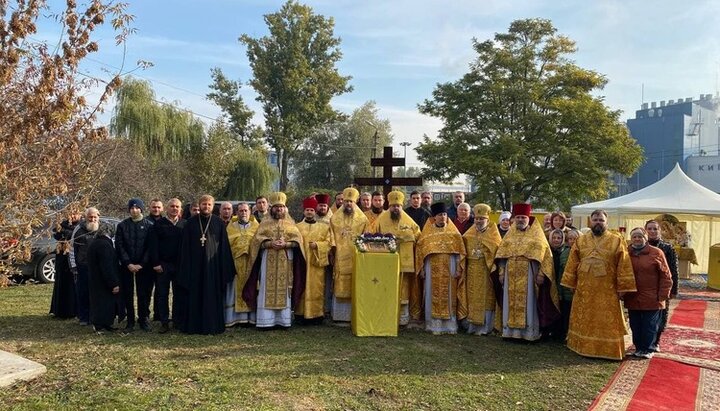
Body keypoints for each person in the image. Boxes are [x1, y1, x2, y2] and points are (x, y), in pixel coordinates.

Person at [561, 209, 636, 360]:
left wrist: (623, 287)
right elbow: (572, 262)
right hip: (584, 287)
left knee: (605, 320)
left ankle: (607, 349)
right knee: (585, 319)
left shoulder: (616, 239)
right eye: (595, 220)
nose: (598, 223)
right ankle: (580, 346)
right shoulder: (581, 240)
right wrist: (571, 282)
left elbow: (624, 263)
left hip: (607, 289)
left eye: (601, 220)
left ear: (606, 222)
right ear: (590, 221)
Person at [495, 203, 559, 341]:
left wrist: (541, 273)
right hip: (510, 272)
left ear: (528, 218)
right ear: (514, 219)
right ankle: (510, 332)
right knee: (510, 301)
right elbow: (501, 256)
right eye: (517, 217)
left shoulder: (537, 235)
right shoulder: (509, 235)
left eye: (523, 217)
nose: (520, 220)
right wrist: (501, 272)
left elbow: (546, 256)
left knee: (528, 302)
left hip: (529, 274)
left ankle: (528, 333)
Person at [243, 192, 306, 329]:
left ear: (285, 208)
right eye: (276, 207)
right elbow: (256, 242)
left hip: (285, 259)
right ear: (272, 208)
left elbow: (298, 241)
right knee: (266, 286)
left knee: (285, 288)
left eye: (281, 207)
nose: (279, 209)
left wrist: (287, 244)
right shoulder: (265, 223)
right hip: (268, 259)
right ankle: (266, 321)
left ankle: (283, 321)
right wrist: (269, 244)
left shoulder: (290, 223)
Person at [177, 194, 235, 335]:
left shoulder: (218, 223)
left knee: (211, 295)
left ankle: (212, 325)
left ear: (212, 206)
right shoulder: (190, 223)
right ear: (200, 205)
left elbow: (224, 247)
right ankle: (193, 326)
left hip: (212, 267)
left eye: (209, 204)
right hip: (194, 267)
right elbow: (184, 247)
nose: (206, 207)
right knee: (194, 295)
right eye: (204, 204)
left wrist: (224, 268)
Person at [415, 202, 467, 334]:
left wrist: (459, 269)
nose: (442, 217)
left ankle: (449, 326)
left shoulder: (454, 234)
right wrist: (421, 269)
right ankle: (433, 325)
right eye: (439, 215)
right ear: (434, 217)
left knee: (449, 295)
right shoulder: (427, 234)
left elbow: (459, 253)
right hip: (431, 268)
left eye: (444, 214)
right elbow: (421, 252)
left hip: (450, 268)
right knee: (432, 294)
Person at [375, 191, 421, 325]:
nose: (396, 208)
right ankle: (386, 315)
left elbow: (419, 236)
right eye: (393, 205)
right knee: (386, 286)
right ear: (389, 205)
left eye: (398, 206)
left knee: (403, 288)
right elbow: (372, 235)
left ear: (401, 206)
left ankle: (402, 318)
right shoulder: (381, 219)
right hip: (386, 260)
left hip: (404, 262)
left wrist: (407, 237)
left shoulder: (408, 221)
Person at [625, 227, 672, 359]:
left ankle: (648, 348)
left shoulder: (657, 252)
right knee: (635, 324)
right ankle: (638, 347)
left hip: (652, 297)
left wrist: (663, 294)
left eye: (640, 236)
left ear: (646, 238)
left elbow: (666, 275)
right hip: (632, 296)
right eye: (634, 236)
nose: (637, 239)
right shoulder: (626, 252)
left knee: (649, 325)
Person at [462, 204, 502, 335]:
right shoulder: (468, 234)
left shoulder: (494, 235)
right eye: (477, 219)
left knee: (486, 298)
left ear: (487, 219)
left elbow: (497, 251)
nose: (479, 221)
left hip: (487, 271)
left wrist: (486, 252)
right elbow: (463, 251)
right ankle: (472, 326)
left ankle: (485, 327)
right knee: (472, 297)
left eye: (481, 219)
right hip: (471, 270)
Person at [329, 187, 368, 322]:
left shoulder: (363, 219)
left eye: (351, 202)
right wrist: (333, 251)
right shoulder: (334, 218)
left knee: (355, 282)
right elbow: (330, 236)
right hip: (340, 255)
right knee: (340, 283)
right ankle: (339, 316)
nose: (348, 204)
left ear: (355, 202)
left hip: (355, 257)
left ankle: (354, 316)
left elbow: (366, 237)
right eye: (346, 201)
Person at [147, 198, 185, 333]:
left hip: (179, 265)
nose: (175, 208)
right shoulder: (158, 225)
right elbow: (153, 246)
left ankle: (176, 320)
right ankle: (164, 321)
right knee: (162, 294)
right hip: (163, 265)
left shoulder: (184, 225)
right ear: (167, 208)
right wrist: (156, 263)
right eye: (172, 206)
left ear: (180, 209)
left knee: (178, 294)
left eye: (177, 206)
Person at [115, 198, 153, 332]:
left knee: (143, 293)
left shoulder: (149, 225)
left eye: (137, 208)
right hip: (127, 266)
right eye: (132, 208)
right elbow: (119, 246)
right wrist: (128, 263)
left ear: (141, 209)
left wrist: (142, 264)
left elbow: (150, 247)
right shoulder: (122, 225)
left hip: (144, 266)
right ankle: (130, 321)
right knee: (128, 293)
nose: (134, 210)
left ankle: (143, 319)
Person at [296, 196, 333, 324]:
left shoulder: (323, 227)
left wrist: (317, 245)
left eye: (312, 210)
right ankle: (300, 314)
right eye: (307, 210)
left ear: (315, 211)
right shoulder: (297, 227)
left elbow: (329, 242)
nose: (309, 212)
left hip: (316, 263)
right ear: (303, 212)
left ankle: (317, 315)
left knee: (317, 287)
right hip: (302, 262)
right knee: (302, 285)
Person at [644, 219, 679, 351]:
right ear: (645, 230)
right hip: (645, 286)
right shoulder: (641, 245)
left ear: (660, 231)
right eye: (650, 229)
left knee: (661, 314)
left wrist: (674, 289)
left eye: (655, 229)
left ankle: (656, 341)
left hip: (662, 286)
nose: (652, 231)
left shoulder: (667, 248)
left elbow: (673, 270)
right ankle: (644, 341)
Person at [225, 202, 259, 327]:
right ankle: (235, 319)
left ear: (250, 212)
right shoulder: (231, 227)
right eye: (241, 211)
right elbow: (226, 245)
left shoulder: (257, 226)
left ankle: (250, 319)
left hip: (251, 264)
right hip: (236, 263)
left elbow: (259, 243)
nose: (243, 213)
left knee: (251, 287)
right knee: (234, 290)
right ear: (237, 212)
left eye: (246, 211)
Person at [86, 222, 121, 333]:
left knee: (99, 302)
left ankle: (104, 324)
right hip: (103, 281)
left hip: (95, 279)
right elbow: (107, 266)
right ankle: (100, 325)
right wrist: (113, 283)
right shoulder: (104, 245)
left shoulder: (95, 243)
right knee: (104, 303)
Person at [69, 207, 101, 326]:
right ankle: (83, 317)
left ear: (98, 217)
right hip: (82, 267)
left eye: (95, 217)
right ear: (86, 217)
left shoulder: (103, 228)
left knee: (97, 293)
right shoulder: (79, 229)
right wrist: (74, 267)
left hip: (99, 268)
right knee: (83, 293)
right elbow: (72, 249)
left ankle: (96, 316)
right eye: (90, 217)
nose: (92, 219)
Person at [50, 211, 81, 319]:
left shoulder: (81, 226)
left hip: (75, 257)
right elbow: (57, 233)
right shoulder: (62, 224)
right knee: (62, 283)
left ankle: (73, 310)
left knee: (73, 284)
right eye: (71, 214)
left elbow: (76, 236)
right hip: (62, 258)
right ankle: (60, 310)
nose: (72, 216)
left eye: (75, 214)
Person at [549, 228, 573, 340]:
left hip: (562, 284)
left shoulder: (565, 252)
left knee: (563, 309)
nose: (556, 240)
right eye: (554, 238)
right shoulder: (546, 249)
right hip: (548, 283)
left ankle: (561, 332)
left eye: (559, 238)